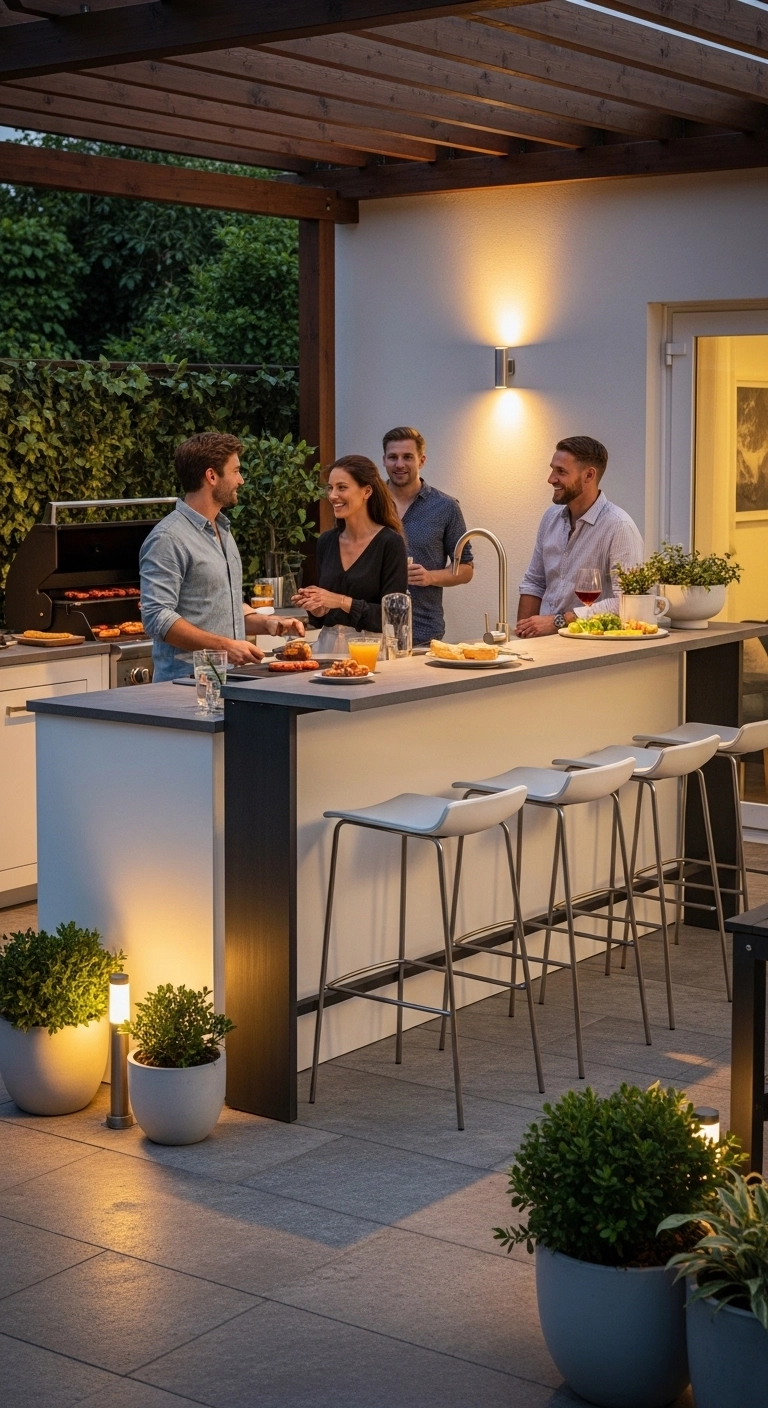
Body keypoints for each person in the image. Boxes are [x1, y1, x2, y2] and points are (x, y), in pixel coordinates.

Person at [140, 431, 304, 682]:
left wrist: (266, 623)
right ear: (211, 476)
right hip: (184, 686)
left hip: (229, 682)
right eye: (236, 470)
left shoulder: (223, 530)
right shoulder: (168, 538)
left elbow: (218, 604)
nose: (241, 480)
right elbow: (157, 617)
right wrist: (224, 646)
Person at [516, 435, 643, 638]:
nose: (551, 479)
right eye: (552, 469)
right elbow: (534, 582)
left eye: (561, 472)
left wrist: (559, 622)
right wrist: (521, 637)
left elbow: (627, 603)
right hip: (542, 644)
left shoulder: (619, 527)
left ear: (589, 475)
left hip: (589, 646)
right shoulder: (550, 517)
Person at [292, 455, 407, 631]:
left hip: (373, 652)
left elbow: (393, 617)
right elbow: (322, 621)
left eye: (342, 488)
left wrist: (340, 601)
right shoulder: (326, 541)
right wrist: (318, 609)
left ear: (367, 492)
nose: (332, 496)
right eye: (330, 488)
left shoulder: (390, 543)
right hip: (328, 651)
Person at [383, 426, 473, 646]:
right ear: (384, 460)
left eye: (407, 457)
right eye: (393, 457)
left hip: (423, 632)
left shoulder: (446, 507)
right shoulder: (368, 504)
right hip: (373, 629)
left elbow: (466, 569)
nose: (400, 464)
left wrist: (430, 577)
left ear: (421, 460)